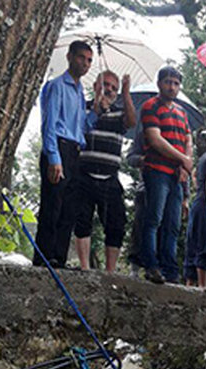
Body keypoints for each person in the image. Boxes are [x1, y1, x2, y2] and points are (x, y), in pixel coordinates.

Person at [34, 40, 97, 268]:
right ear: (70, 57)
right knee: (53, 205)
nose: (85, 64)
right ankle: (43, 258)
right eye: (81, 57)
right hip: (58, 147)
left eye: (89, 60)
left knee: (69, 208)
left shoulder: (80, 91)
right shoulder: (57, 86)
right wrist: (53, 157)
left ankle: (58, 257)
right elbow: (49, 124)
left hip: (75, 151)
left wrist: (96, 111)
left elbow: (81, 127)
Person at [69, 70, 136, 273]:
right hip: (85, 172)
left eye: (114, 87)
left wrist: (126, 94)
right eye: (106, 84)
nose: (109, 89)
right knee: (82, 220)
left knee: (116, 223)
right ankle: (84, 267)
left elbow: (132, 122)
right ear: (96, 85)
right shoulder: (84, 107)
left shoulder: (119, 112)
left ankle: (110, 271)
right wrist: (97, 106)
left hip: (110, 176)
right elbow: (78, 128)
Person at [138, 65, 193, 284]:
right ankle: (151, 265)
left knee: (173, 224)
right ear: (159, 83)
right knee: (153, 219)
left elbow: (188, 139)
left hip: (176, 175)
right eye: (168, 82)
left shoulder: (181, 112)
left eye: (176, 83)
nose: (172, 87)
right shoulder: (150, 106)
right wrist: (183, 159)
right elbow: (155, 139)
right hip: (157, 171)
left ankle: (170, 270)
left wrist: (185, 164)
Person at [183, 134, 206, 288]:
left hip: (198, 201)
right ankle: (202, 287)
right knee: (204, 245)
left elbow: (195, 173)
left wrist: (197, 188)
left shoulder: (205, 156)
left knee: (193, 244)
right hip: (205, 204)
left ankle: (189, 284)